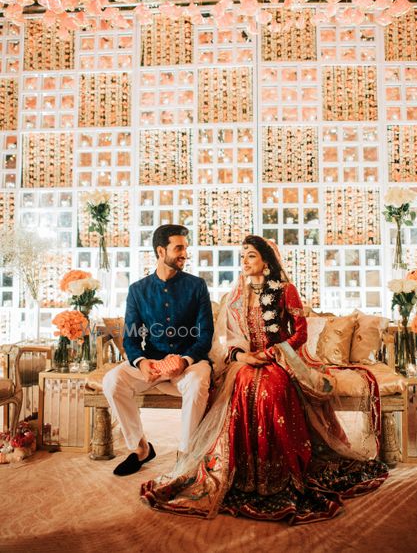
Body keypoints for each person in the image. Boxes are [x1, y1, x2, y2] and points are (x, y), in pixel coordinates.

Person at [141, 235, 388, 524]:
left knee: (270, 391)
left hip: (281, 359)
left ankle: (278, 474)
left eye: (250, 256)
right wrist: (243, 357)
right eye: (242, 257)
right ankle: (244, 474)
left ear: (266, 260)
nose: (244, 262)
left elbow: (300, 334)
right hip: (246, 361)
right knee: (243, 385)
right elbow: (230, 339)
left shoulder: (285, 290)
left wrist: (273, 352)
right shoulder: (235, 296)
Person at [103, 224, 214, 476]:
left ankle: (186, 454)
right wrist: (142, 364)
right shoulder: (138, 290)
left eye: (185, 248)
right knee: (112, 381)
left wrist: (184, 361)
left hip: (190, 363)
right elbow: (131, 339)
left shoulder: (197, 286)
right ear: (161, 250)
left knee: (198, 382)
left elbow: (205, 335)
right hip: (152, 363)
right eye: (179, 248)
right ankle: (140, 448)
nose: (184, 253)